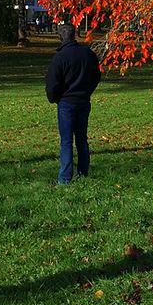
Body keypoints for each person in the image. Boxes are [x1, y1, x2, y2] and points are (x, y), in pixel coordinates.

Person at [45, 23, 101, 184]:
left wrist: (54, 98)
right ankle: (83, 172)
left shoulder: (60, 57)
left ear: (59, 37)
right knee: (82, 139)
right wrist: (87, 91)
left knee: (66, 141)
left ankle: (64, 178)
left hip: (66, 102)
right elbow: (96, 76)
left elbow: (52, 83)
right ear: (75, 34)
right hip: (83, 100)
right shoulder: (87, 54)